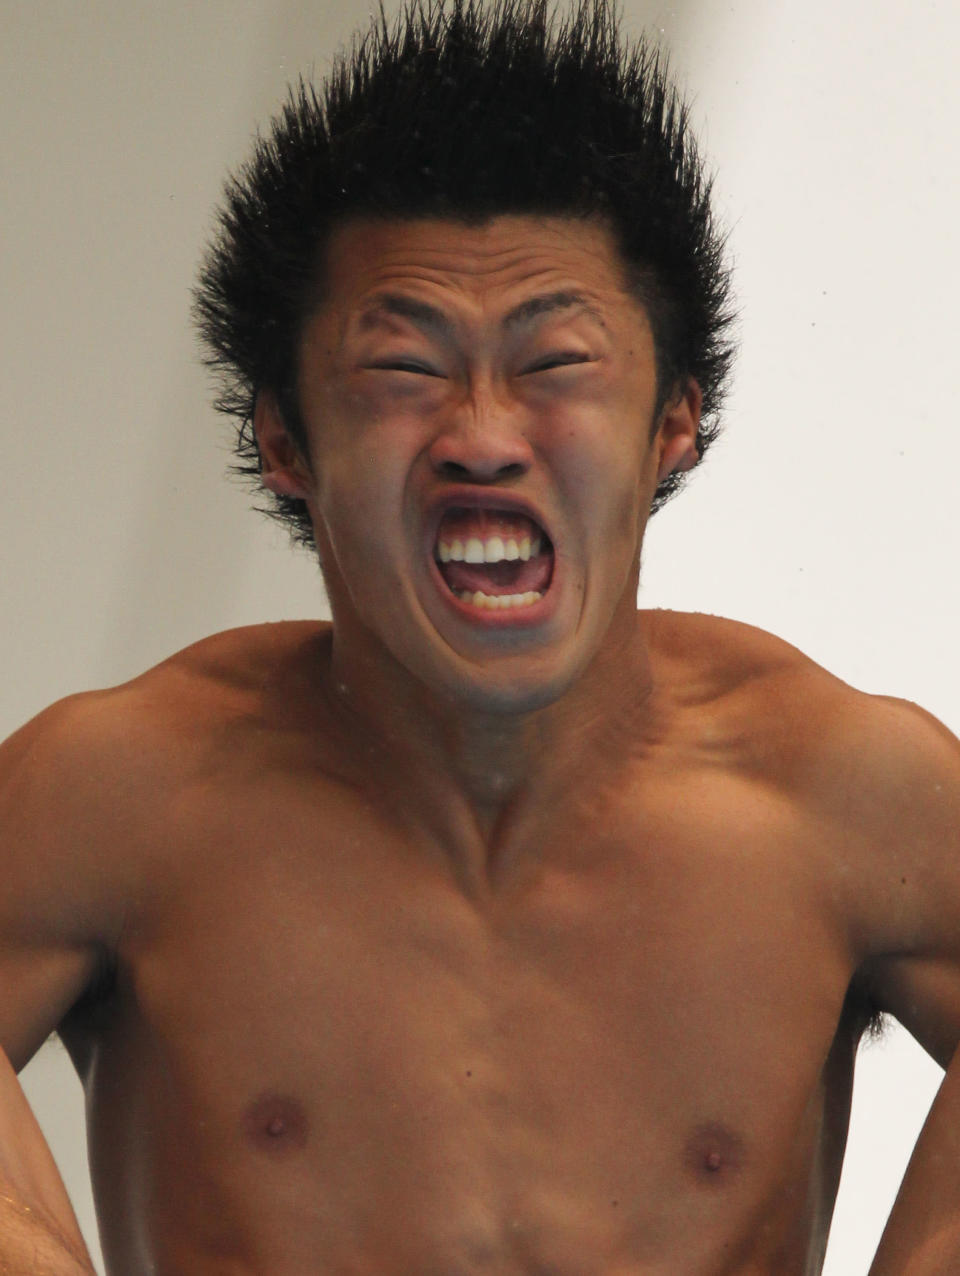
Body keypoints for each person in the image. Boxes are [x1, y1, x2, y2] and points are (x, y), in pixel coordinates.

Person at [2, 0, 959, 1271]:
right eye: (404, 368)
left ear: (675, 417)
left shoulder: (847, 797)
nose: (484, 434)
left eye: (556, 360)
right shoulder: (115, 800)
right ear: (283, 438)